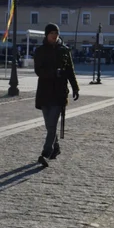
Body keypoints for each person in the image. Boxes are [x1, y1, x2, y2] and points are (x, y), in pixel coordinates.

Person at [33, 23, 79, 167]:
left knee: (52, 126)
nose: (54, 35)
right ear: (46, 35)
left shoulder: (64, 51)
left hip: (59, 93)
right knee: (49, 126)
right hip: (44, 92)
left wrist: (75, 88)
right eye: (52, 33)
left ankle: (45, 153)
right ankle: (56, 148)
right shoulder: (40, 51)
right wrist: (54, 73)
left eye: (56, 33)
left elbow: (70, 71)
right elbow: (38, 71)